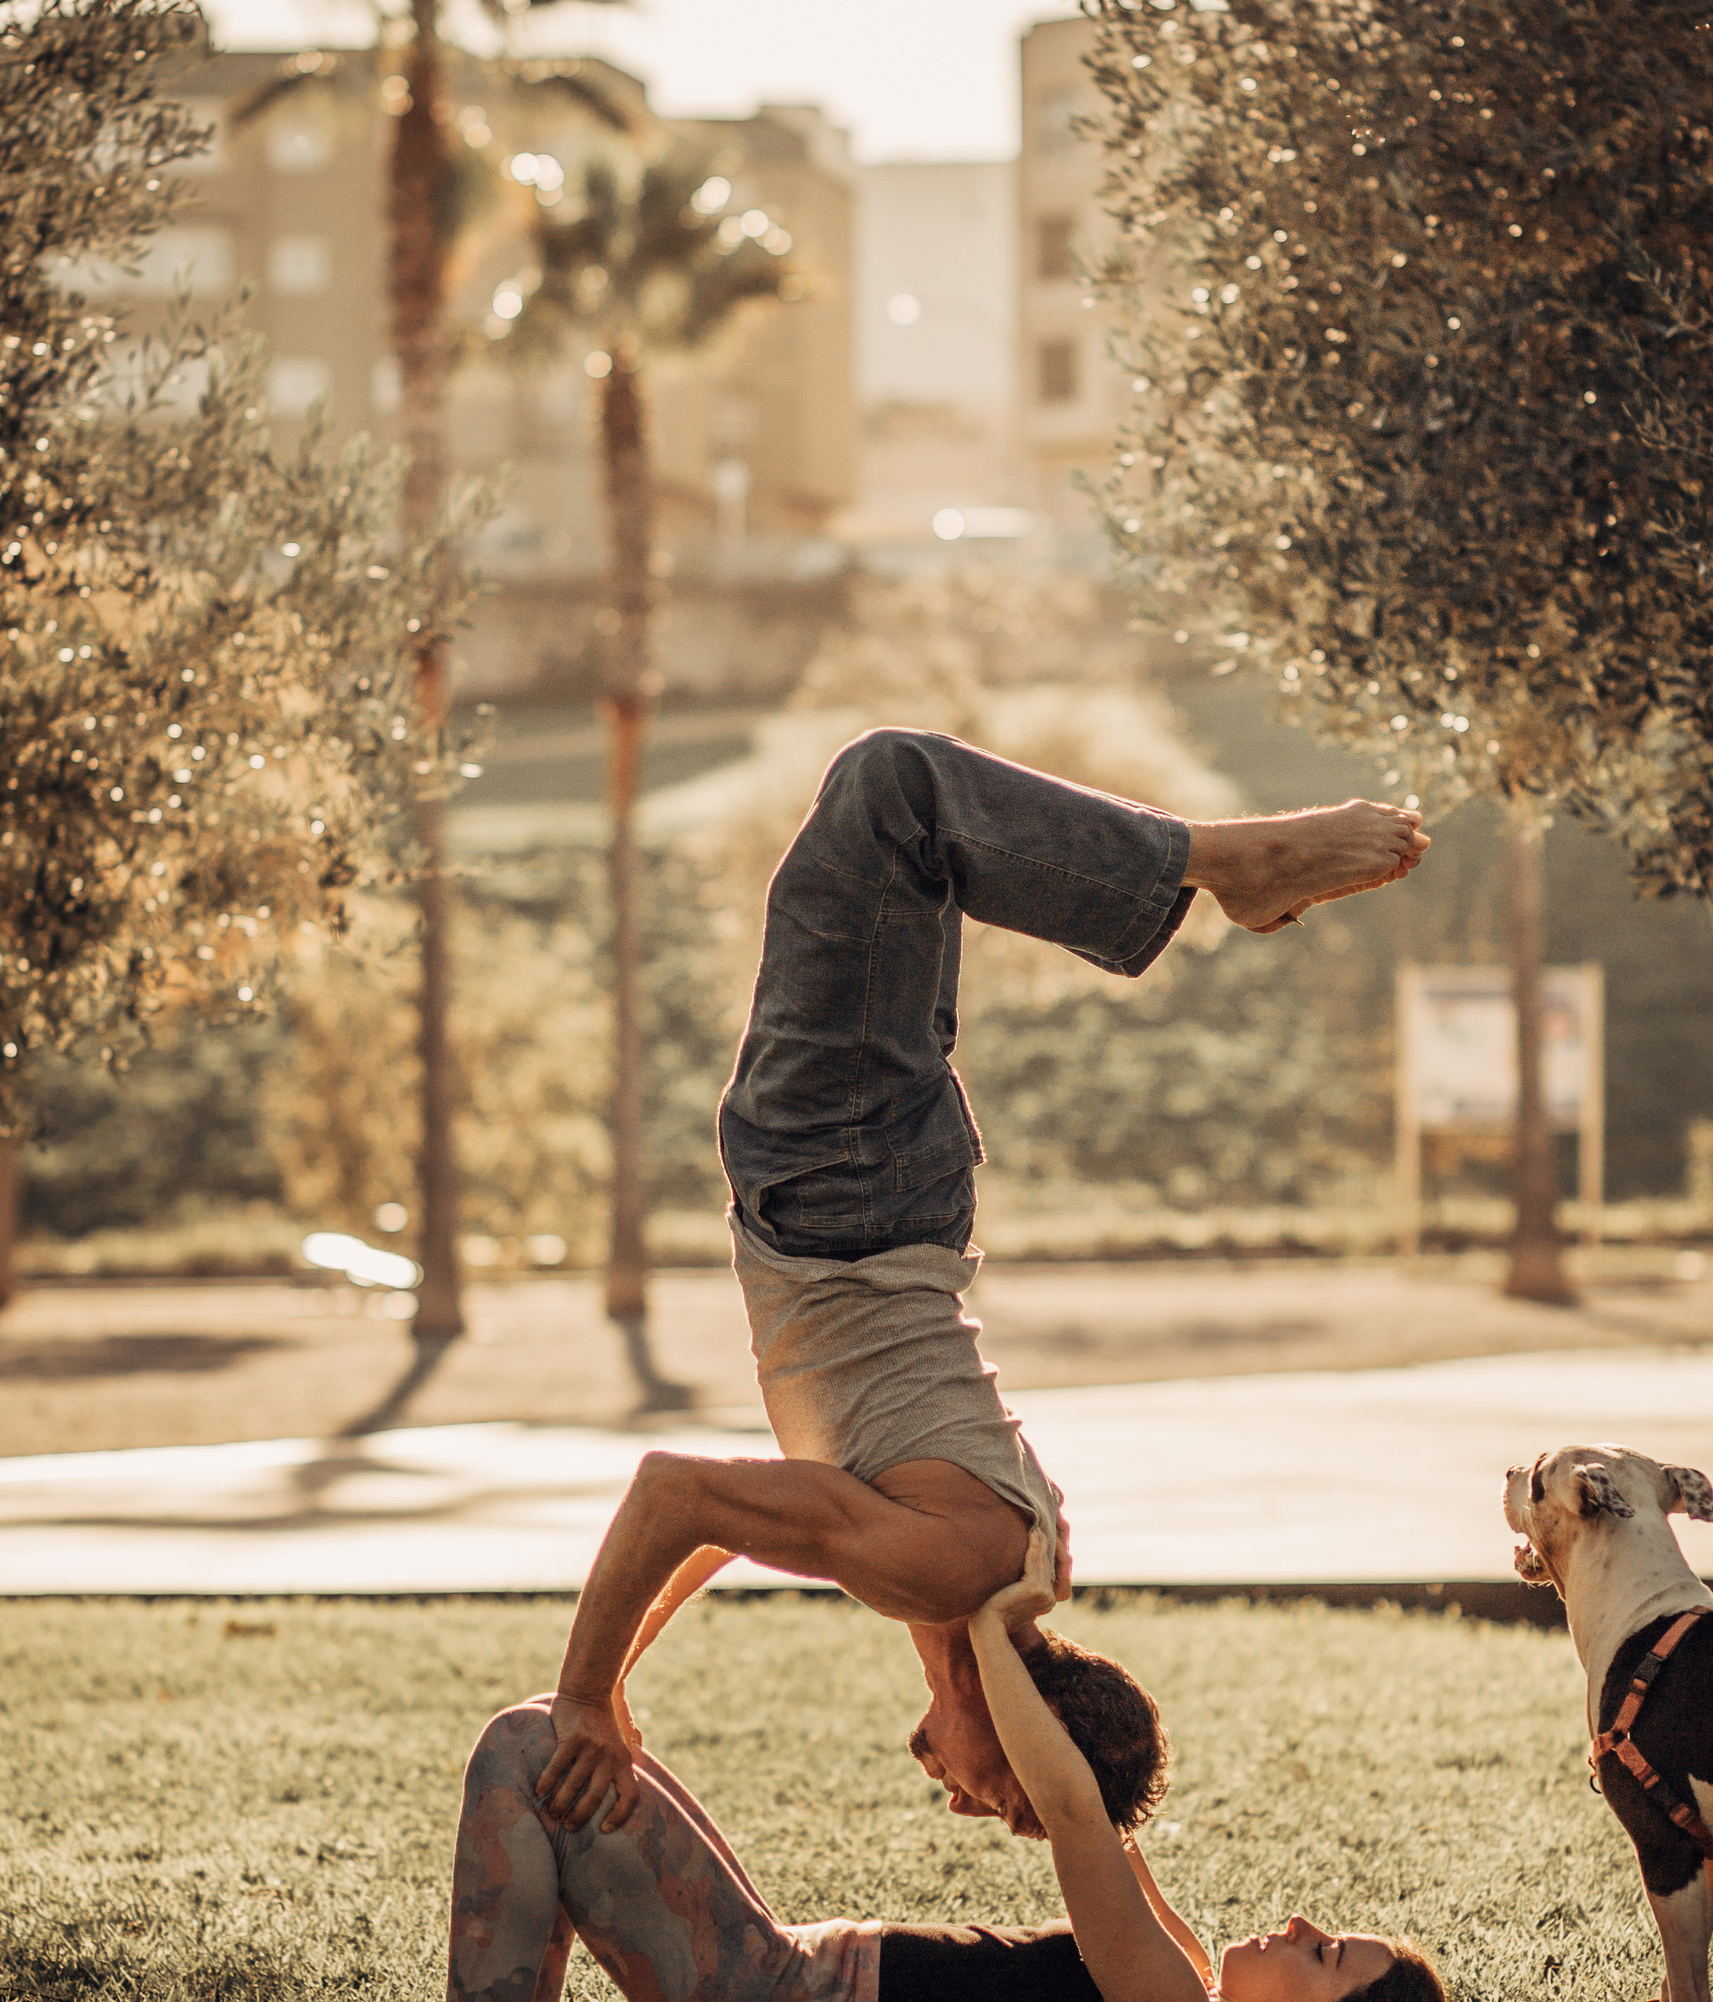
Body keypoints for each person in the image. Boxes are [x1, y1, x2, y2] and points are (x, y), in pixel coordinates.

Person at [540, 728, 1429, 1839]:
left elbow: (735, 1521)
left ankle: (1204, 871)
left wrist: (623, 1667)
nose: (961, 1805)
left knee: (910, 839)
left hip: (884, 1195)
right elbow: (676, 1495)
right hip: (839, 1187)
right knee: (892, 794)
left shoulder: (1011, 1576)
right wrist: (579, 1697)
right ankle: (1218, 864)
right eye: (1005, 1800)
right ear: (1025, 1744)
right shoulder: (946, 1573)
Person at [440, 1550, 1450, 2002]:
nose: (1301, 1923)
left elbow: (1073, 1814)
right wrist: (979, 1599)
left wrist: (987, 1616)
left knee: (531, 1747)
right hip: (779, 1985)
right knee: (565, 1747)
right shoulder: (1182, 1989)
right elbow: (1103, 1809)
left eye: (1322, 1954)